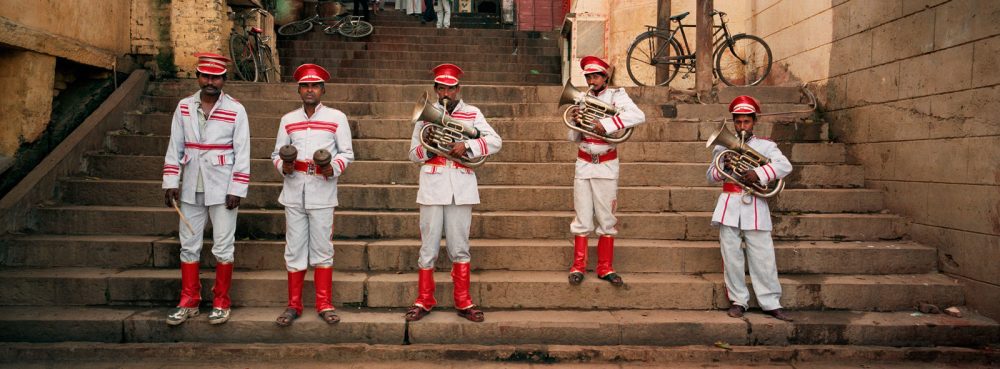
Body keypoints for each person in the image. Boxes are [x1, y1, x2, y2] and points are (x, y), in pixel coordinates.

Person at [404, 63, 501, 323]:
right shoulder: (426, 115)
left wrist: (466, 145)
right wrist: (433, 148)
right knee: (428, 248)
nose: (446, 93)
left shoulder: (472, 113)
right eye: (441, 88)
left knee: (460, 248)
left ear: (458, 89)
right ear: (435, 90)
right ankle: (424, 300)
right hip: (432, 186)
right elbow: (414, 154)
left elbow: (495, 141)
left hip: (462, 185)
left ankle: (463, 301)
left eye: (451, 88)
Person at [162, 52, 251, 326]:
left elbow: (243, 151)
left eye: (216, 77)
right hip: (190, 184)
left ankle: (221, 301)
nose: (210, 81)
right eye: (205, 76)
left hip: (223, 185)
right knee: (188, 245)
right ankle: (189, 300)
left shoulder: (236, 109)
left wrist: (237, 187)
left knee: (223, 246)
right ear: (198, 77)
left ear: (224, 79)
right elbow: (175, 145)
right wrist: (171, 181)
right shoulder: (184, 106)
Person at [270, 64, 355, 327]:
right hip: (294, 192)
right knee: (294, 249)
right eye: (305, 86)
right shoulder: (288, 120)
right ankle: (294, 304)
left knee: (322, 248)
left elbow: (347, 154)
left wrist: (332, 167)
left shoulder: (337, 118)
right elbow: (276, 154)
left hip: (322, 191)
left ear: (322, 90)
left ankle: (324, 303)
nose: (310, 90)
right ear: (299, 89)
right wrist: (283, 166)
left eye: (315, 86)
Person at [707, 95, 793, 322]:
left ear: (754, 122)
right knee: (732, 257)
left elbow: (785, 165)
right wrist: (722, 165)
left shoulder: (767, 146)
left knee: (763, 257)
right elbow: (711, 176)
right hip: (728, 205)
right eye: (738, 122)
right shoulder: (722, 146)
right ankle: (738, 301)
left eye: (746, 122)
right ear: (733, 122)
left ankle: (771, 302)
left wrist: (759, 173)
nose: (742, 126)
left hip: (755, 205)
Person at [566, 56, 646, 287]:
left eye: (596, 76)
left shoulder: (617, 96)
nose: (592, 80)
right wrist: (576, 122)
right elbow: (572, 136)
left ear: (605, 77)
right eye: (589, 77)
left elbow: (638, 116)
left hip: (607, 163)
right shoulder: (582, 99)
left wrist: (608, 124)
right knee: (581, 217)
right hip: (584, 163)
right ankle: (578, 266)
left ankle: (605, 267)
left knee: (606, 218)